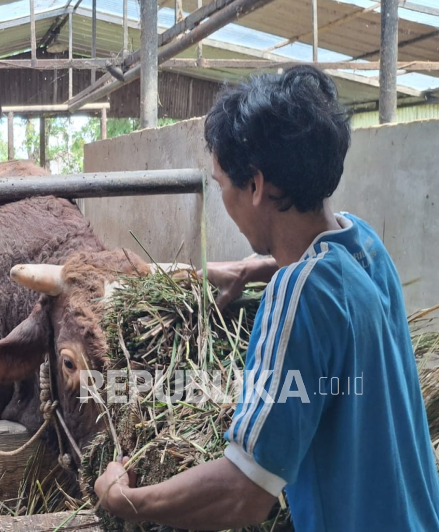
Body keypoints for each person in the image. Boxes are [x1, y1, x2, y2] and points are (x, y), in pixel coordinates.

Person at [94, 65, 439, 531]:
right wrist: (252, 266)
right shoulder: (366, 247)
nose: (224, 200)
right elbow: (326, 276)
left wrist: (126, 499)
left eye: (221, 185)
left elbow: (244, 493)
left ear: (255, 185)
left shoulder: (297, 294)